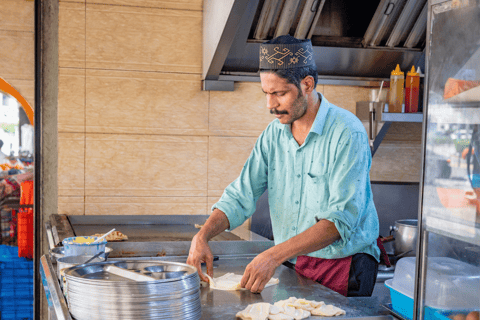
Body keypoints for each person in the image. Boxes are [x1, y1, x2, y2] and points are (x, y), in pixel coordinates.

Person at [187, 35, 381, 297]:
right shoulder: (272, 136)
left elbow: (340, 221)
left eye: (279, 93)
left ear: (307, 84)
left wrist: (273, 255)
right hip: (294, 262)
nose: (270, 105)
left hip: (343, 267)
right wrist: (203, 236)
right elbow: (241, 194)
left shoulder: (347, 133)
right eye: (266, 94)